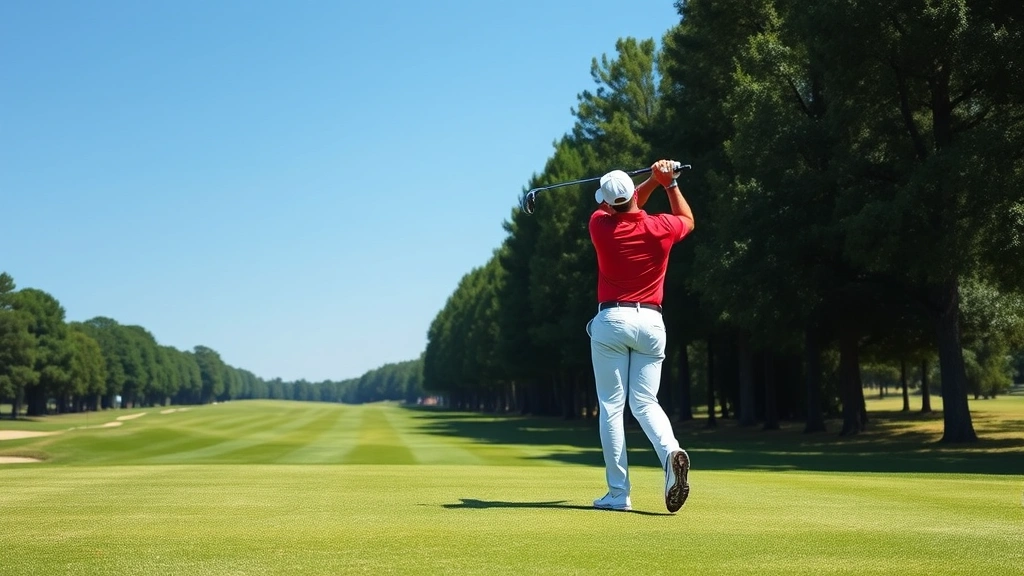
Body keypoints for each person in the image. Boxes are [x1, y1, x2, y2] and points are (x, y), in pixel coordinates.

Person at [586, 159, 695, 513]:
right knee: (645, 403)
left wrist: (650, 180)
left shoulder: (599, 226)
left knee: (612, 408)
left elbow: (619, 206)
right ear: (634, 194)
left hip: (612, 320)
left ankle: (618, 494)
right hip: (651, 322)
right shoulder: (661, 227)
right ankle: (670, 452)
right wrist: (668, 183)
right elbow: (688, 220)